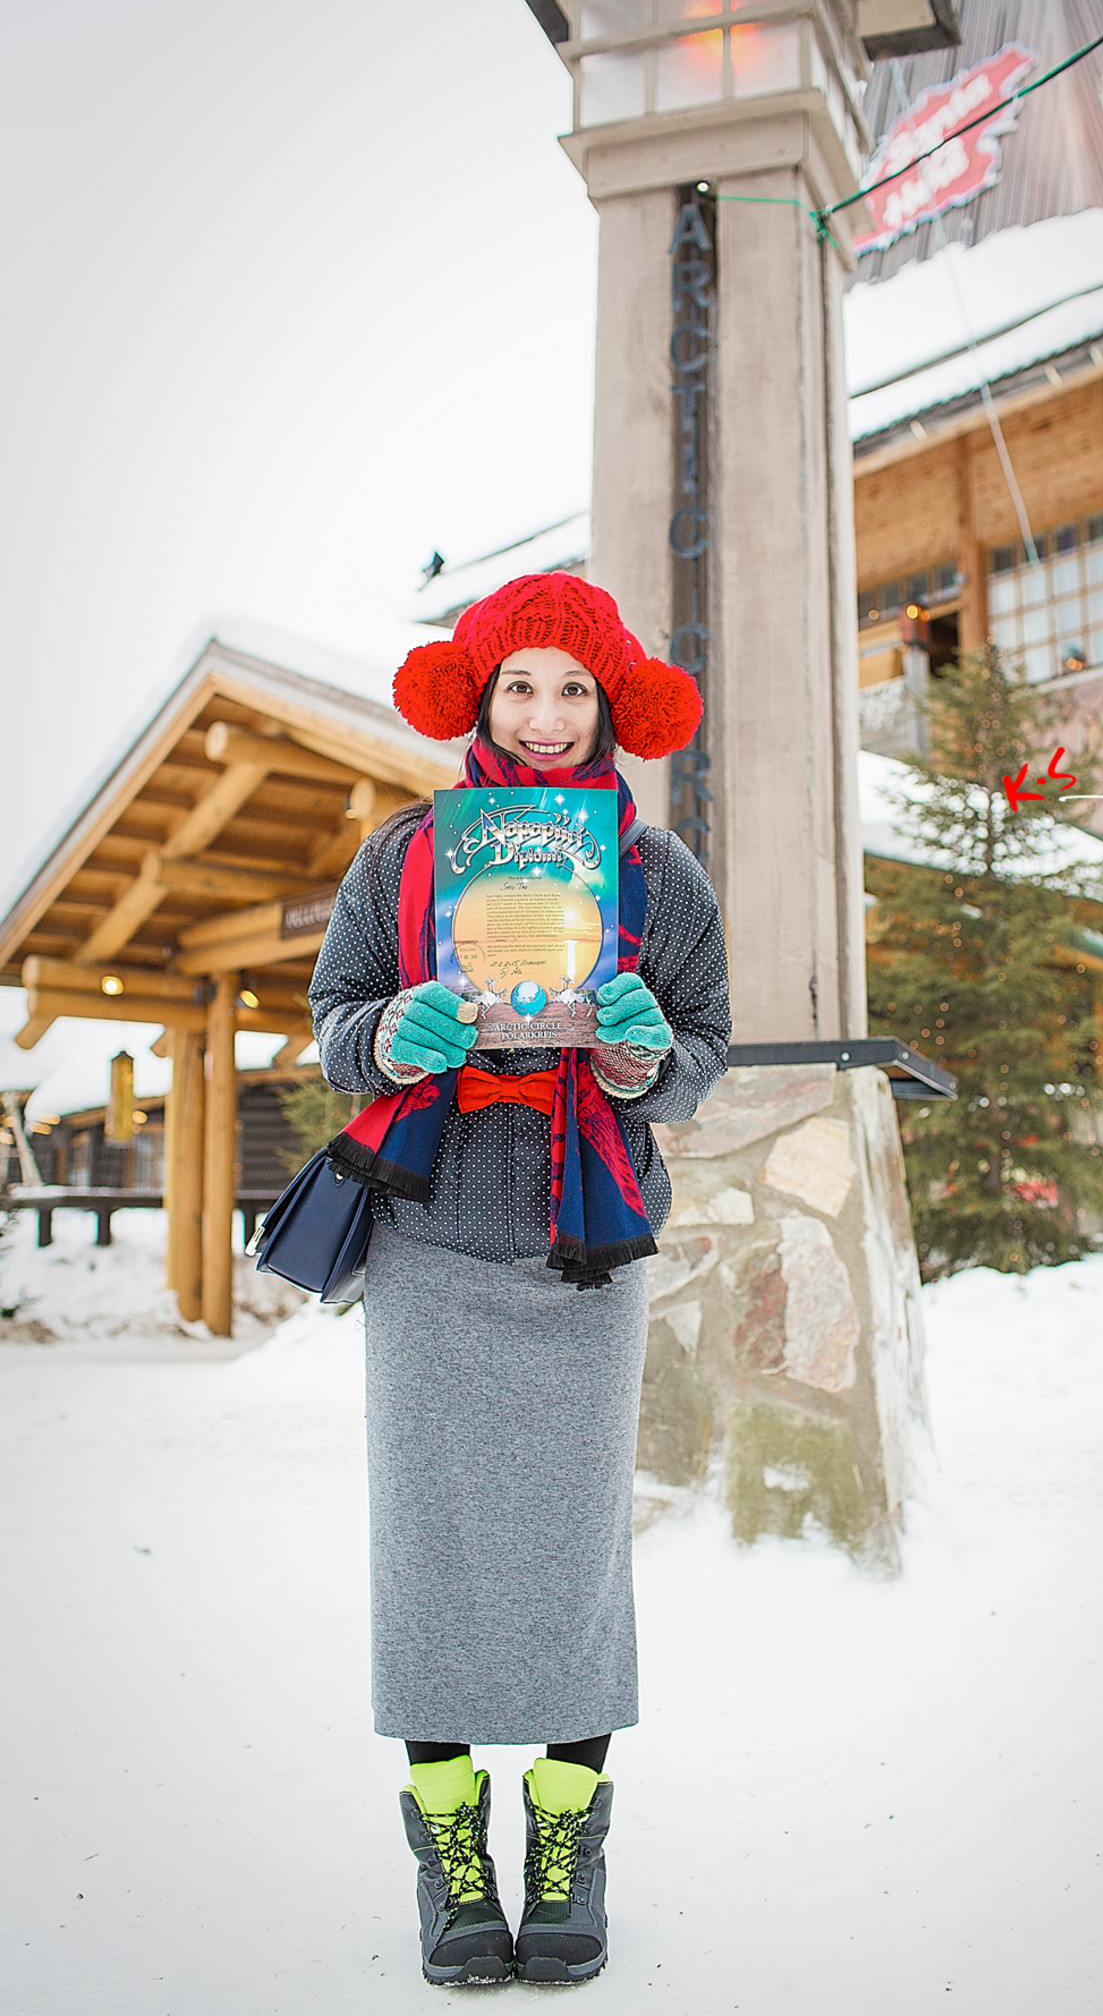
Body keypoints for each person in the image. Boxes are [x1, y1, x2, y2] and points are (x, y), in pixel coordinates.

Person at [308, 573, 730, 1988]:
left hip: (580, 1246)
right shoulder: (406, 854)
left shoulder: (658, 877)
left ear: (610, 706)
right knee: (428, 1550)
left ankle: (567, 1844)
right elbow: (331, 1026)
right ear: (478, 701)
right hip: (428, 1241)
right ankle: (450, 1856)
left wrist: (637, 1051)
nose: (546, 721)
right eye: (519, 689)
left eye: (574, 691)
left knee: (569, 1559)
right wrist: (393, 1034)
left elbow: (701, 1058)